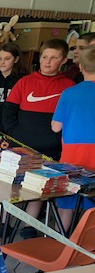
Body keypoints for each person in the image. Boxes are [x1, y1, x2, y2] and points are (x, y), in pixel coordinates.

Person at [3, 38, 74, 238]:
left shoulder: (68, 86)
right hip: (22, 148)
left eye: (54, 58)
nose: (48, 62)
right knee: (13, 189)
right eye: (44, 57)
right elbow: (8, 112)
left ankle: (28, 226)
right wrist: (15, 134)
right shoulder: (24, 82)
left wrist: (55, 140)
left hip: (51, 150)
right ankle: (6, 224)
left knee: (39, 191)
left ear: (63, 60)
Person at [51, 45, 95, 231]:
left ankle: (63, 242)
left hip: (72, 156)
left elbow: (56, 127)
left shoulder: (69, 93)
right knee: (91, 207)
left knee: (66, 204)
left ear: (82, 68)